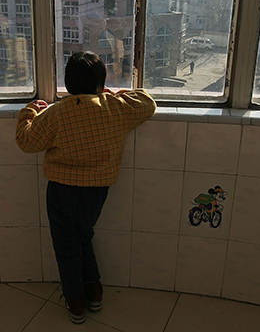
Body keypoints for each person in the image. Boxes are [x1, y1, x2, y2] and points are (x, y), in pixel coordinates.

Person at [15, 51, 156, 324]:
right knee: (83, 237)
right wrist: (111, 95)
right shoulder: (115, 108)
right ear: (100, 84)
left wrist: (29, 111)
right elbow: (147, 103)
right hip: (97, 190)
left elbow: (26, 142)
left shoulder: (57, 113)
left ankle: (76, 301)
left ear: (68, 84)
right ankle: (94, 292)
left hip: (62, 191)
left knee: (67, 246)